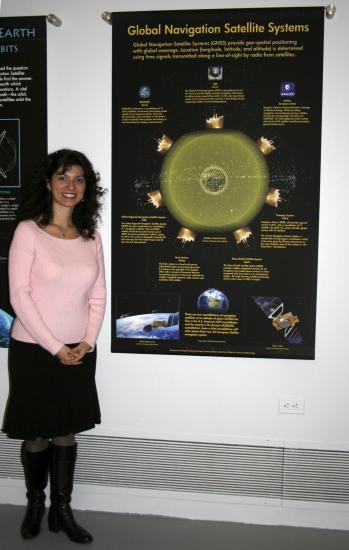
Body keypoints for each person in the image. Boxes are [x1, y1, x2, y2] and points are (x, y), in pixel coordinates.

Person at [2, 149, 107, 544]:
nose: (70, 186)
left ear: (86, 189)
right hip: (34, 350)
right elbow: (20, 296)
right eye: (63, 177)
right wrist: (54, 347)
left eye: (79, 179)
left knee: (66, 432)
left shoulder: (91, 238)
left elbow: (98, 295)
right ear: (48, 182)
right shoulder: (28, 231)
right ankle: (35, 504)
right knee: (37, 434)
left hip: (79, 350)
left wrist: (86, 342)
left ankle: (62, 511)